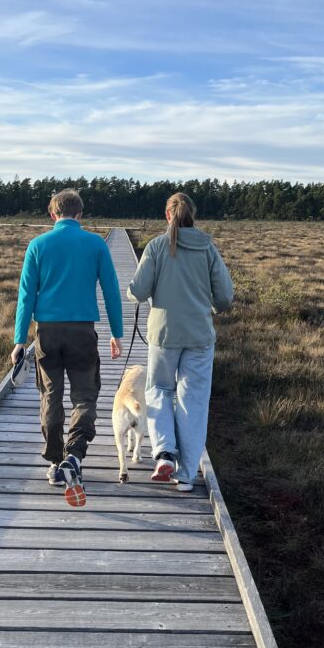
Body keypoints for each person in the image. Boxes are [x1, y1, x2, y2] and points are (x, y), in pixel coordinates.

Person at [12, 189, 123, 507]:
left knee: (51, 394)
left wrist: (20, 340)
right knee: (85, 396)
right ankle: (74, 455)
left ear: (52, 214)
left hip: (47, 333)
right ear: (80, 214)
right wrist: (116, 333)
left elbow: (26, 296)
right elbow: (112, 291)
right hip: (83, 332)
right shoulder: (96, 244)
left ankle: (54, 463)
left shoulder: (38, 245)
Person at [127, 192, 233, 491]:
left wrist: (134, 294)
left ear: (167, 215)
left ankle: (164, 453)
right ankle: (186, 475)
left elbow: (138, 290)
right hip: (199, 335)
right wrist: (209, 308)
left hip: (163, 335)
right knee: (193, 401)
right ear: (192, 216)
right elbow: (225, 297)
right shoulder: (208, 248)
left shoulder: (157, 246)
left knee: (159, 390)